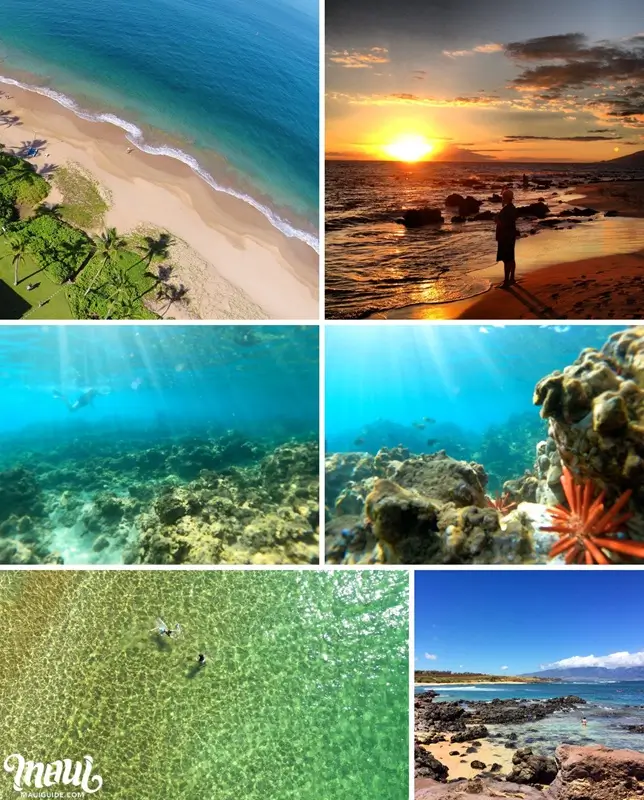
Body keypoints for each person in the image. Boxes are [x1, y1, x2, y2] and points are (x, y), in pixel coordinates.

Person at [495, 189, 518, 288]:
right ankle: (511, 278)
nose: (502, 198)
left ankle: (506, 281)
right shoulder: (512, 208)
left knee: (506, 259)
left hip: (505, 237)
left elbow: (504, 224)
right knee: (511, 258)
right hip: (510, 235)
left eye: (503, 197)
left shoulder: (507, 209)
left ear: (506, 198)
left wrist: (497, 221)